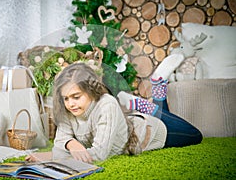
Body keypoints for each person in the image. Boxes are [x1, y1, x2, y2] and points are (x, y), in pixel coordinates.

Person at [26, 62, 202, 163]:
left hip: (151, 130)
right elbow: (60, 142)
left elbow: (99, 154)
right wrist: (72, 144)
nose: (70, 104)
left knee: (196, 135)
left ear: (90, 91)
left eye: (76, 96)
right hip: (128, 122)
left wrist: (51, 157)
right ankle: (153, 95)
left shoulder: (106, 104)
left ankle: (148, 99)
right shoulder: (67, 109)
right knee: (164, 111)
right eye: (66, 98)